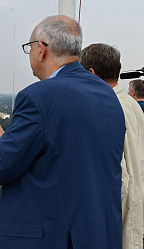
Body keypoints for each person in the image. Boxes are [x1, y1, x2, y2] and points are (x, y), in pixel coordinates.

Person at [0, 15, 125, 249]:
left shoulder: (37, 97)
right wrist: (7, 139)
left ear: (41, 50)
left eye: (29, 47)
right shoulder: (106, 93)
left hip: (52, 238)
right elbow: (69, 152)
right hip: (97, 234)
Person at [80, 43, 144, 249]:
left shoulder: (110, 107)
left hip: (120, 219)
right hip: (135, 209)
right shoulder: (131, 103)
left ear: (91, 73)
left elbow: (120, 177)